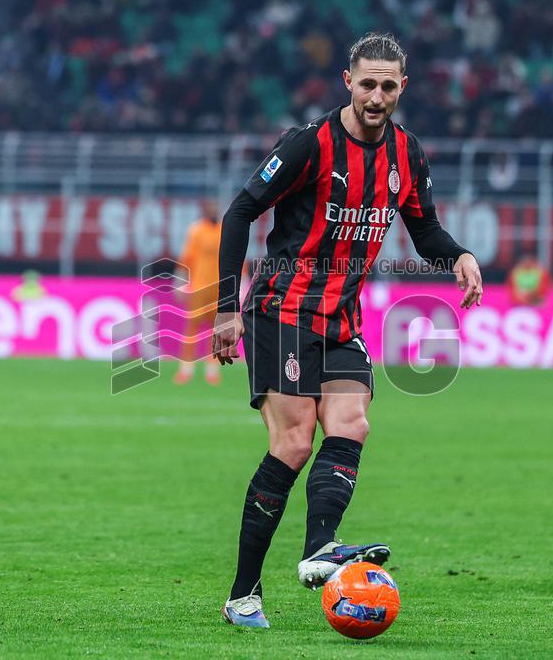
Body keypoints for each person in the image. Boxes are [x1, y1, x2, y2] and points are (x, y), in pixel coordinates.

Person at [211, 32, 483, 628]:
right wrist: (226, 309)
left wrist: (458, 254)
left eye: (388, 85)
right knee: (294, 442)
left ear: (402, 87)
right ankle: (242, 595)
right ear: (348, 83)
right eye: (368, 84)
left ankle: (319, 549)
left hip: (342, 319)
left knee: (352, 423)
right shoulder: (309, 145)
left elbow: (425, 229)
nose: (377, 95)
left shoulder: (407, 156)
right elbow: (239, 210)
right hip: (280, 311)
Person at [174, 205, 223, 385]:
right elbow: (187, 257)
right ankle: (186, 369)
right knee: (191, 329)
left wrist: (241, 283)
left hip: (219, 287)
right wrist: (180, 281)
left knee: (216, 330)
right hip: (199, 287)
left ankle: (212, 369)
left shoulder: (224, 230)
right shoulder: (196, 230)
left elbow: (236, 258)